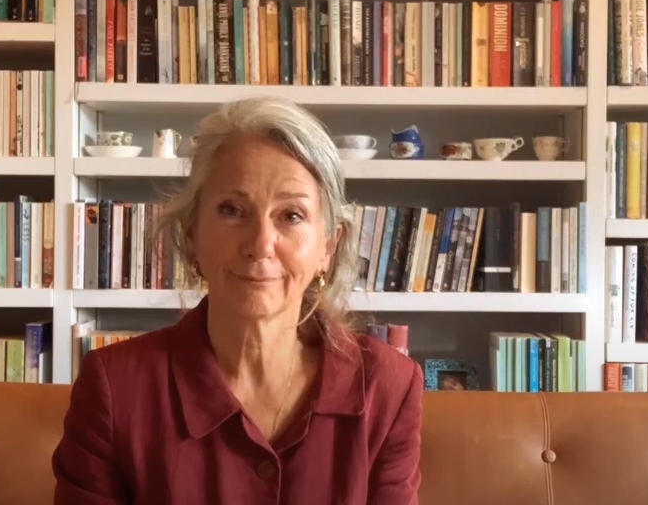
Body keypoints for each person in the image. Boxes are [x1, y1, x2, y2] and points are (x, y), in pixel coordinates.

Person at [52, 96, 424, 505]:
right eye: (232, 210)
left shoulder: (389, 386)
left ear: (328, 248)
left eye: (291, 216)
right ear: (192, 235)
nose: (260, 244)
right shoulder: (114, 388)